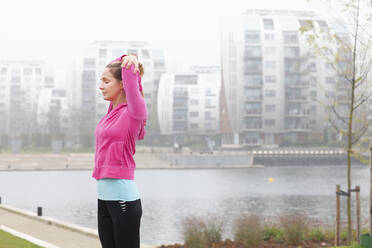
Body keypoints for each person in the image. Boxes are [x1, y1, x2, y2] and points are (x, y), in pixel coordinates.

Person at [92, 53, 147, 248]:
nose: (101, 86)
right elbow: (118, 66)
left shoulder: (133, 112)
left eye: (106, 81)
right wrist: (124, 58)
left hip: (122, 197)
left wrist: (130, 60)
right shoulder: (111, 113)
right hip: (104, 197)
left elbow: (132, 85)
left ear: (123, 84)